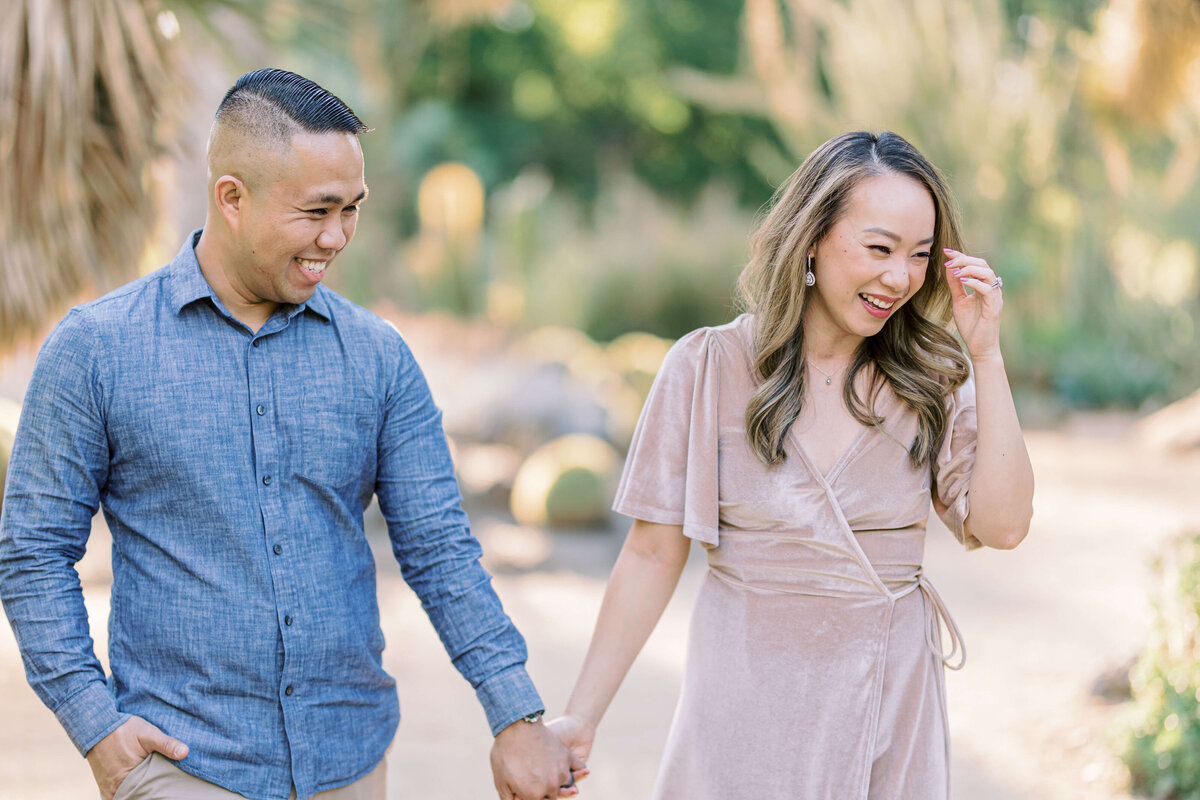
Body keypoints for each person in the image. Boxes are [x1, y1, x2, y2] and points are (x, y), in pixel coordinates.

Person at [0, 68, 580, 800]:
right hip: (183, 766)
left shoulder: (377, 357)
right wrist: (97, 727)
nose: (336, 237)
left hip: (351, 762)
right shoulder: (97, 349)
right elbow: (32, 554)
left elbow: (437, 546)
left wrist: (515, 713)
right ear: (231, 198)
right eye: (316, 211)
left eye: (352, 209)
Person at [547, 131, 1035, 799]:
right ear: (812, 237)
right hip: (744, 720)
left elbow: (1004, 526)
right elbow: (651, 554)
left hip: (888, 712)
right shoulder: (706, 367)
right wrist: (582, 715)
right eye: (879, 248)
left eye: (920, 256)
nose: (900, 277)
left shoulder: (932, 381)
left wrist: (988, 356)